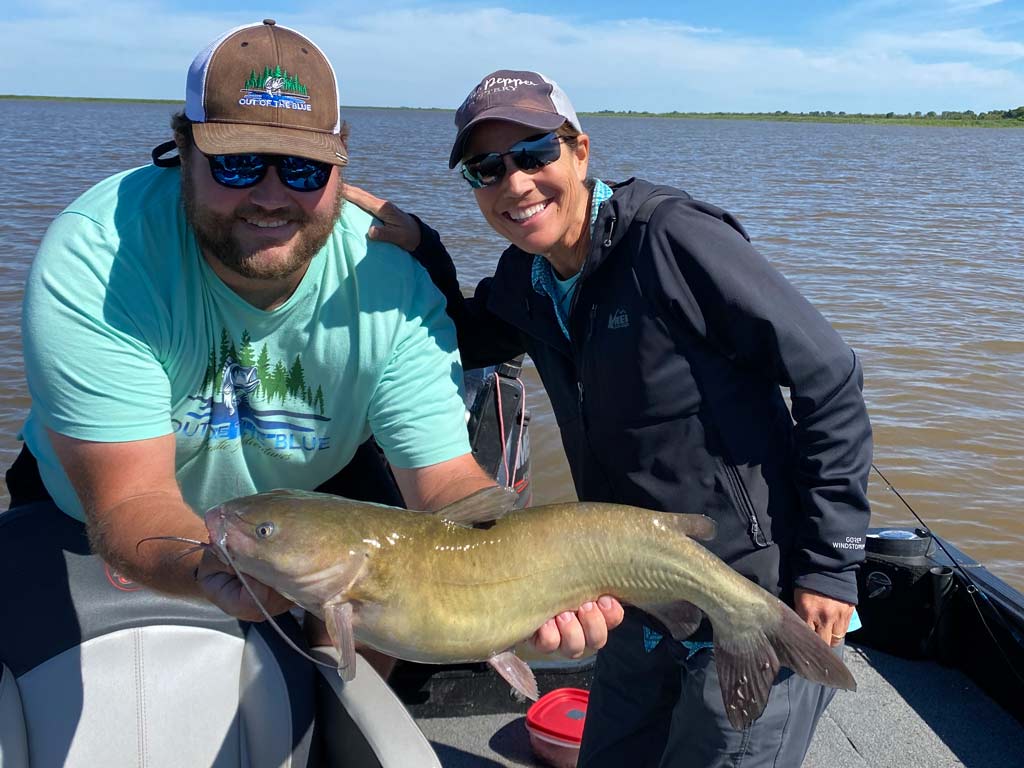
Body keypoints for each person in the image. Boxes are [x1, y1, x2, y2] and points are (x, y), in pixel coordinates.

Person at [10, 28, 621, 671]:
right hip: (88, 513)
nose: (272, 196)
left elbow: (444, 484)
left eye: (302, 169)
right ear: (182, 151)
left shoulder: (392, 284)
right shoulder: (100, 257)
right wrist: (207, 566)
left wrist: (516, 592)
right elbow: (131, 500)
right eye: (237, 162)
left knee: (353, 658)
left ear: (340, 165)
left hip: (307, 505)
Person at [344, 69, 873, 766]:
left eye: (534, 153)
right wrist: (426, 252)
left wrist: (830, 565)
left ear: (580, 150)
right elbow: (470, 339)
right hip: (630, 593)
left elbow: (828, 373)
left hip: (752, 585)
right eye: (486, 169)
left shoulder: (672, 241)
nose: (516, 183)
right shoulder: (524, 279)